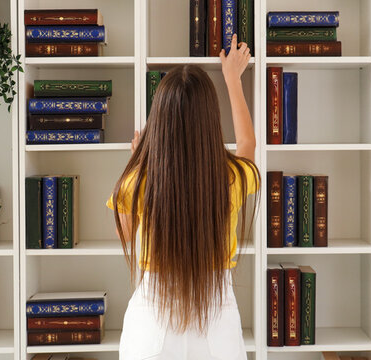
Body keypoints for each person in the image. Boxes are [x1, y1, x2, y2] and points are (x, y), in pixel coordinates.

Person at [106, 34, 260, 360]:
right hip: (217, 324)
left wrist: (138, 161)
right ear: (210, 122)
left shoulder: (138, 181)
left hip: (151, 327)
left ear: (158, 123)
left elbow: (125, 231)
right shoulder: (230, 177)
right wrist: (232, 78)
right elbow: (247, 144)